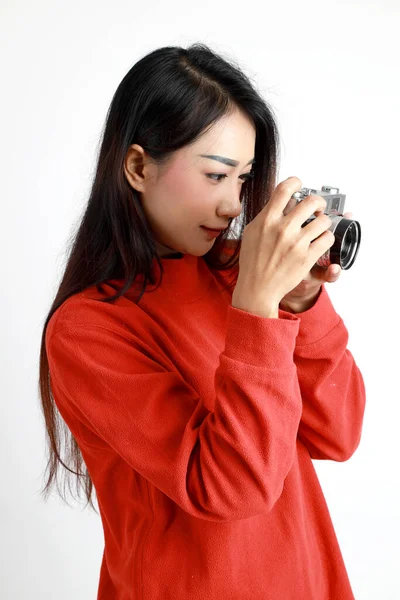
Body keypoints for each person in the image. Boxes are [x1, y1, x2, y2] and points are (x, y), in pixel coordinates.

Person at [39, 42, 366, 599]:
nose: (235, 207)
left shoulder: (240, 276)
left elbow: (337, 434)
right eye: (216, 176)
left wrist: (297, 304)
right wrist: (259, 311)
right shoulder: (87, 330)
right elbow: (230, 490)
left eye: (244, 179)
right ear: (138, 167)